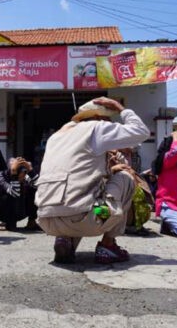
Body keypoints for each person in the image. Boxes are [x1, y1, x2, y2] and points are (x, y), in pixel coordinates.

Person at [35, 97, 150, 264]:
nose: (111, 123)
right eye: (109, 120)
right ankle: (108, 246)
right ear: (98, 118)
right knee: (125, 178)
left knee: (79, 198)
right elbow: (141, 131)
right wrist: (120, 108)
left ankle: (65, 239)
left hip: (47, 221)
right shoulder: (96, 128)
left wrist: (109, 169)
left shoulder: (56, 137)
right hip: (87, 218)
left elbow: (78, 173)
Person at [0, 156, 40, 232]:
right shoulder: (1, 177)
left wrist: (30, 170)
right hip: (5, 210)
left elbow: (40, 186)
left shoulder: (24, 175)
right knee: (7, 195)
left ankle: (32, 221)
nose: (23, 175)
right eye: (20, 172)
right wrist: (14, 173)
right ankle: (5, 221)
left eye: (24, 172)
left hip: (21, 209)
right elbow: (14, 193)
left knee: (34, 190)